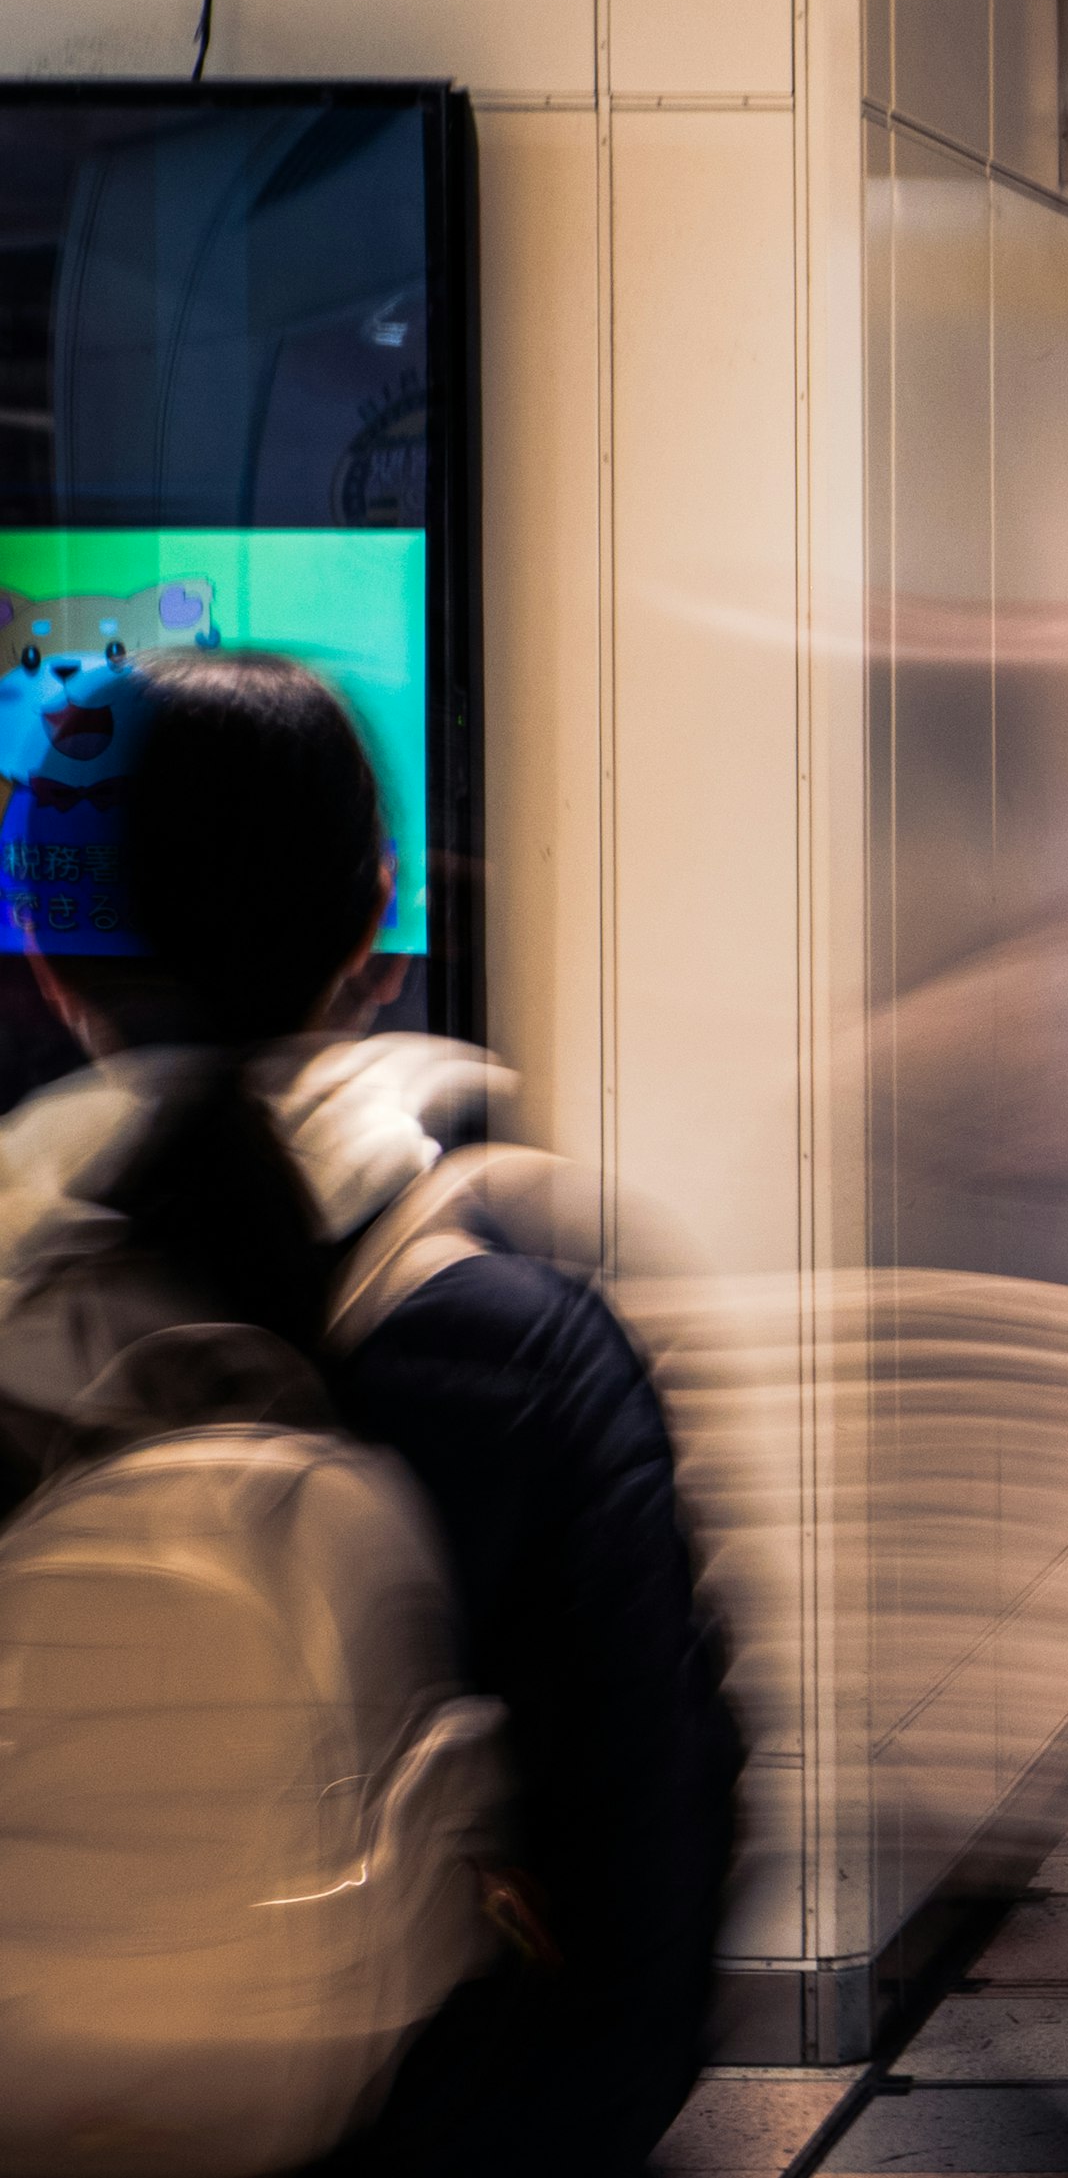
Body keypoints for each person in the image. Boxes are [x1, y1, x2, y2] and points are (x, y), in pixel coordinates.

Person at [0, 652, 740, 2170]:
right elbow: (649, 1896)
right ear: (374, 931)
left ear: (59, 963)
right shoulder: (515, 1334)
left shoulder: (15, 1299)